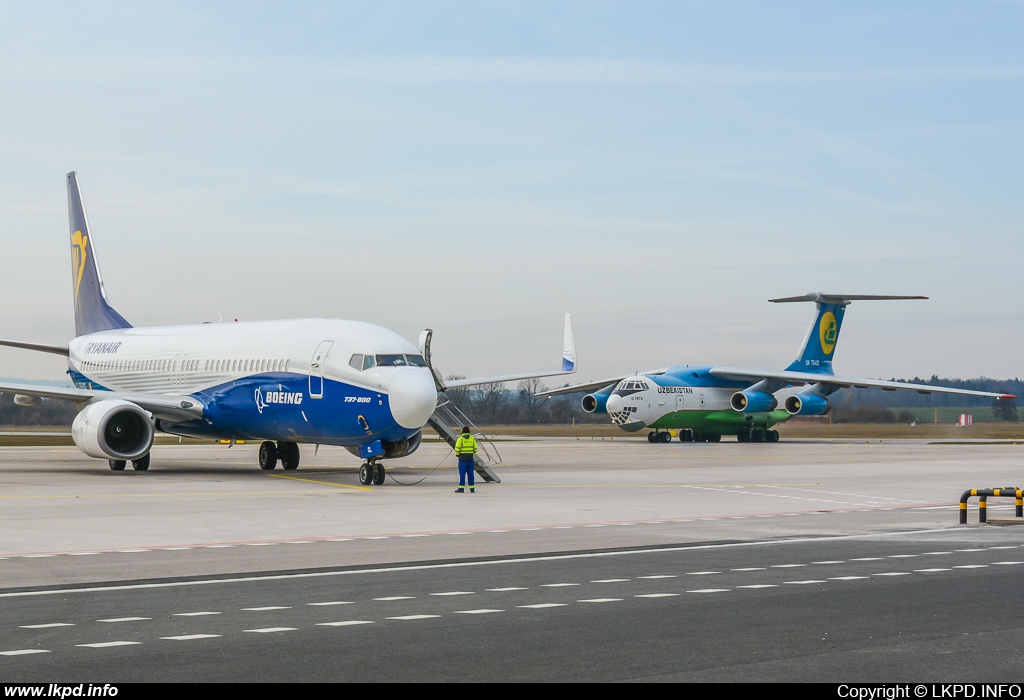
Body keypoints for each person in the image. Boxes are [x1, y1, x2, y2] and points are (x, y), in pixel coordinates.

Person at [454, 426, 477, 493]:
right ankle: (472, 488)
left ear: (462, 432)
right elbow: (475, 449)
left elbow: (457, 448)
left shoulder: (460, 439)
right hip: (470, 459)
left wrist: (457, 454)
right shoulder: (472, 439)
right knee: (471, 474)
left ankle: (461, 488)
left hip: (462, 459)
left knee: (462, 474)